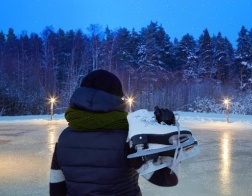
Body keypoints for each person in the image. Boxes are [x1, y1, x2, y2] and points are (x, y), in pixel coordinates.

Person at [49, 69, 177, 196]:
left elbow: (56, 187)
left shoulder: (64, 138)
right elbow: (166, 178)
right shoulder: (130, 135)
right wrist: (168, 135)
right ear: (116, 99)